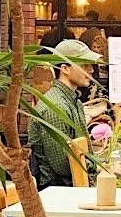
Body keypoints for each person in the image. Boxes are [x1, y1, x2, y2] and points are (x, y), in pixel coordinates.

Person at [27, 38, 102, 190]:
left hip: (72, 186)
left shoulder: (72, 101)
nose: (91, 70)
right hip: (57, 192)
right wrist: (99, 167)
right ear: (65, 69)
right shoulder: (56, 107)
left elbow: (81, 152)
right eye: (85, 65)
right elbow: (63, 166)